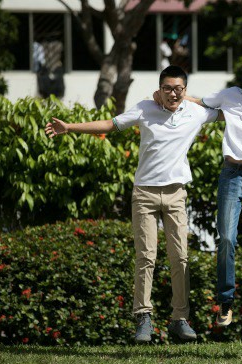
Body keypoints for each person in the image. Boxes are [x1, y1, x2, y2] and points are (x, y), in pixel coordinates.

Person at [44, 66, 220, 343]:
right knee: (146, 257)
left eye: (178, 89)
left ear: (185, 90)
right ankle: (143, 317)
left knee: (180, 257)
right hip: (145, 194)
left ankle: (179, 318)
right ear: (159, 89)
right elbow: (110, 124)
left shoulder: (195, 112)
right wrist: (69, 128)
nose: (173, 94)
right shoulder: (144, 109)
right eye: (167, 88)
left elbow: (226, 110)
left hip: (176, 193)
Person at [167, 52, 242, 341]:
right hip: (232, 175)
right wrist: (172, 96)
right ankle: (226, 302)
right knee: (227, 239)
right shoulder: (230, 95)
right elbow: (200, 103)